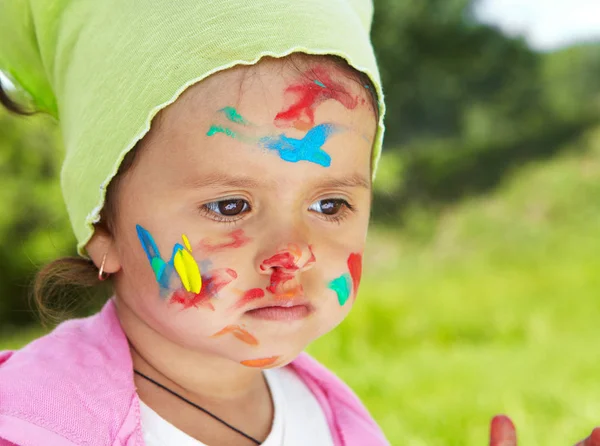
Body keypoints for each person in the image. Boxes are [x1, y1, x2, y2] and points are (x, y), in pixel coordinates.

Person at [0, 0, 388, 445]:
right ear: (102, 227)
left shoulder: (334, 418)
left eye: (330, 205)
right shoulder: (31, 425)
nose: (293, 254)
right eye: (230, 207)